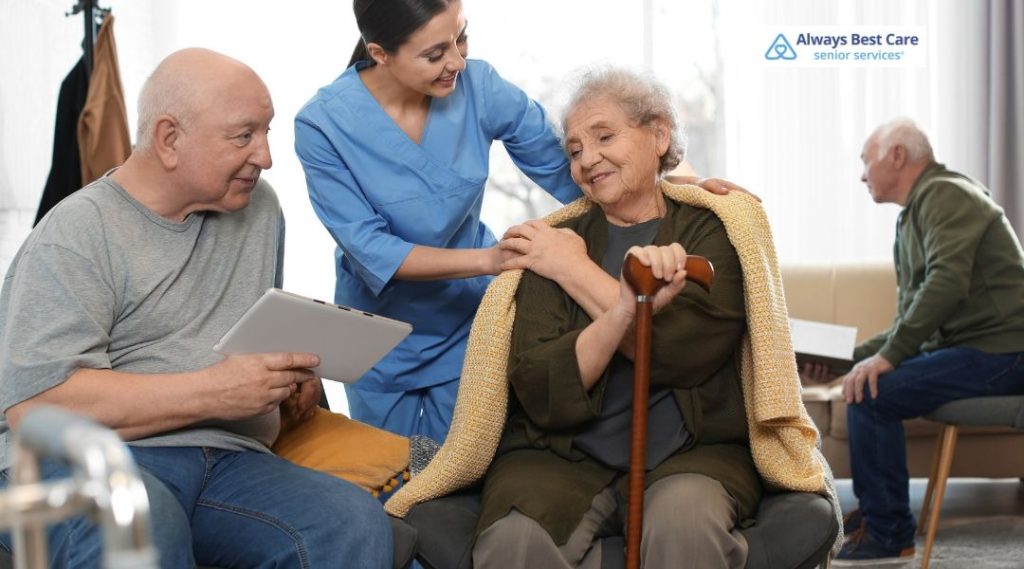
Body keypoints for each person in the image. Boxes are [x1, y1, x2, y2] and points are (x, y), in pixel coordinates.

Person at [0, 48, 392, 569]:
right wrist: (215, 390)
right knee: (139, 516)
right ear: (169, 139)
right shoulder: (75, 234)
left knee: (349, 522)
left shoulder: (259, 209)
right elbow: (35, 408)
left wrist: (286, 378)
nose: (266, 156)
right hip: (79, 457)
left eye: (266, 132)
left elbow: (239, 333)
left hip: (229, 459)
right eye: (243, 136)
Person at [295, 0, 743, 442]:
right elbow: (371, 248)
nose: (457, 61)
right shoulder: (322, 125)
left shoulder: (479, 86)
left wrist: (671, 183)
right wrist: (490, 260)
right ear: (379, 53)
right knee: (386, 470)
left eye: (461, 36)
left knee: (464, 464)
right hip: (380, 330)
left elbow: (571, 165)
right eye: (435, 54)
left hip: (467, 319)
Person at [471, 68, 758, 569]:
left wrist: (573, 269)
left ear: (659, 135)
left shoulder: (717, 229)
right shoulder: (553, 242)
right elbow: (539, 386)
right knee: (512, 543)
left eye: (605, 137)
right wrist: (605, 293)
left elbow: (679, 351)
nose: (587, 159)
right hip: (562, 456)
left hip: (692, 453)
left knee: (686, 525)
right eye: (575, 150)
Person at [832, 119, 1024, 565]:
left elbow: (946, 284)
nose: (861, 175)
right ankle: (879, 516)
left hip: (1005, 350)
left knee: (872, 394)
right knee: (866, 379)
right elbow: (912, 319)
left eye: (866, 161)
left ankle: (888, 533)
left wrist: (886, 359)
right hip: (977, 349)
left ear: (897, 155)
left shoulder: (946, 195)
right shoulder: (919, 212)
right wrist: (846, 359)